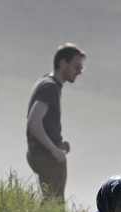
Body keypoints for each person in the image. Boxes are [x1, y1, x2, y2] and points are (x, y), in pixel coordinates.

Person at [26, 43, 85, 201]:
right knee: (54, 205)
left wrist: (58, 144)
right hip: (47, 158)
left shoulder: (48, 83)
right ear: (62, 63)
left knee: (50, 204)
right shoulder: (50, 87)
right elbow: (33, 123)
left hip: (44, 154)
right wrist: (54, 150)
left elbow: (40, 123)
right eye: (76, 66)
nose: (80, 71)